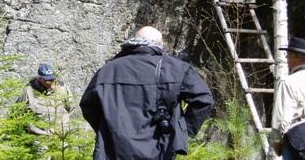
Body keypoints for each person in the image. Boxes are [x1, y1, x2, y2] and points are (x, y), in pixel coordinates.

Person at [80, 26, 214, 159]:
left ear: (133, 41)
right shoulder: (176, 69)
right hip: (159, 148)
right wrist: (182, 130)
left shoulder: (108, 70)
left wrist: (108, 127)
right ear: (160, 45)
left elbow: (88, 104)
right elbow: (203, 99)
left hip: (113, 150)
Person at [270, 37, 305, 159]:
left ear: (295, 56)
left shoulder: (289, 82)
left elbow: (282, 119)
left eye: (288, 55)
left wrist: (277, 144)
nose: (286, 59)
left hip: (298, 142)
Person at [18, 63, 73, 135]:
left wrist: (62, 125)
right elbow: (20, 113)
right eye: (48, 80)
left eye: (52, 79)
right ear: (40, 79)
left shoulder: (62, 87)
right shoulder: (29, 91)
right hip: (39, 136)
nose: (51, 82)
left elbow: (70, 107)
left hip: (60, 135)